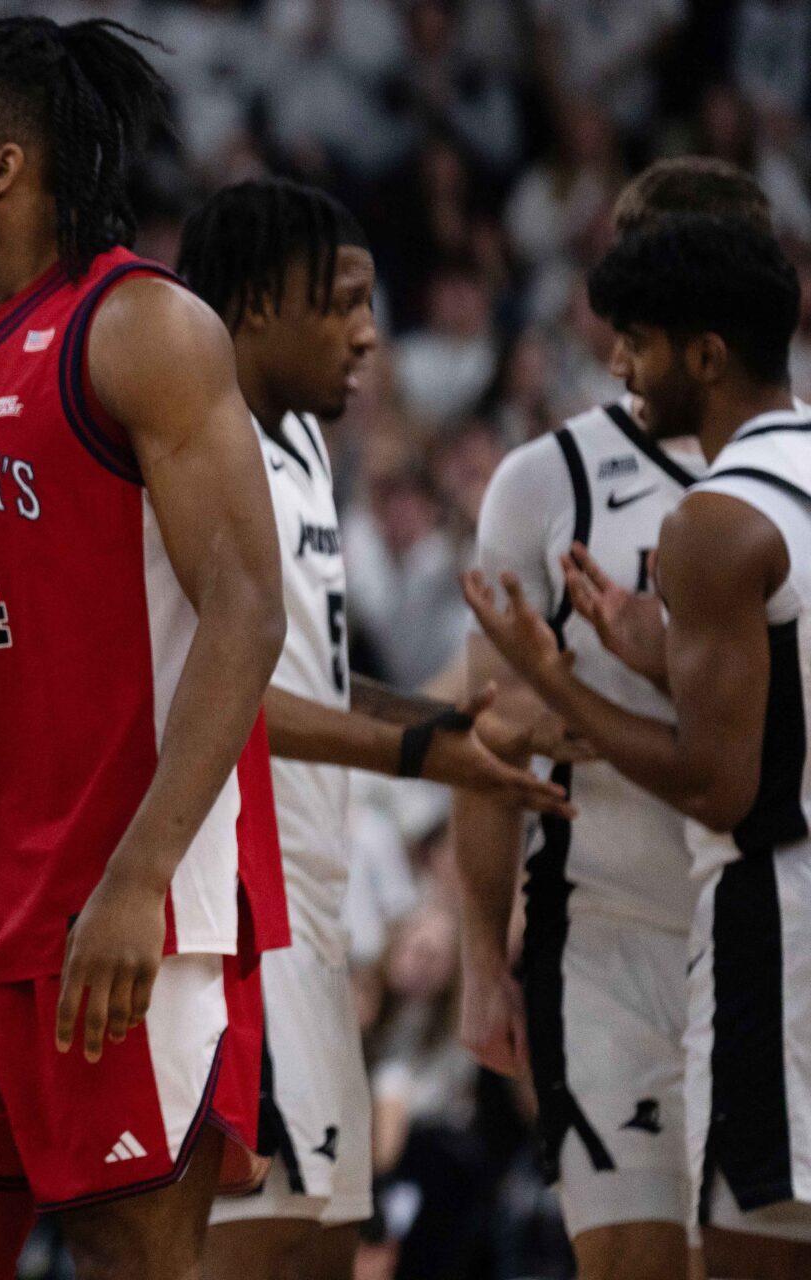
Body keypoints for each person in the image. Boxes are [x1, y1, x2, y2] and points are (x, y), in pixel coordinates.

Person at [0, 19, 290, 1279]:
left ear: (5, 168)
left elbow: (246, 612)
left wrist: (137, 883)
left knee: (132, 1260)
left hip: (122, 906)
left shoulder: (144, 327)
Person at [174, 177, 574, 1280]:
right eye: (344, 301)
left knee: (327, 1242)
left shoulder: (301, 442)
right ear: (258, 303)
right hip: (225, 910)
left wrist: (468, 718)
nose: (369, 333)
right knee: (240, 1246)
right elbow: (207, 694)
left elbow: (319, 674)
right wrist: (421, 746)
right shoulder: (193, 453)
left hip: (314, 900)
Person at [457, 159, 793, 1280]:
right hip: (607, 937)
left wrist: (569, 690)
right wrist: (476, 954)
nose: (617, 350)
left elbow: (719, 768)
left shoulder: (761, 482)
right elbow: (483, 740)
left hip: (754, 913)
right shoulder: (543, 480)